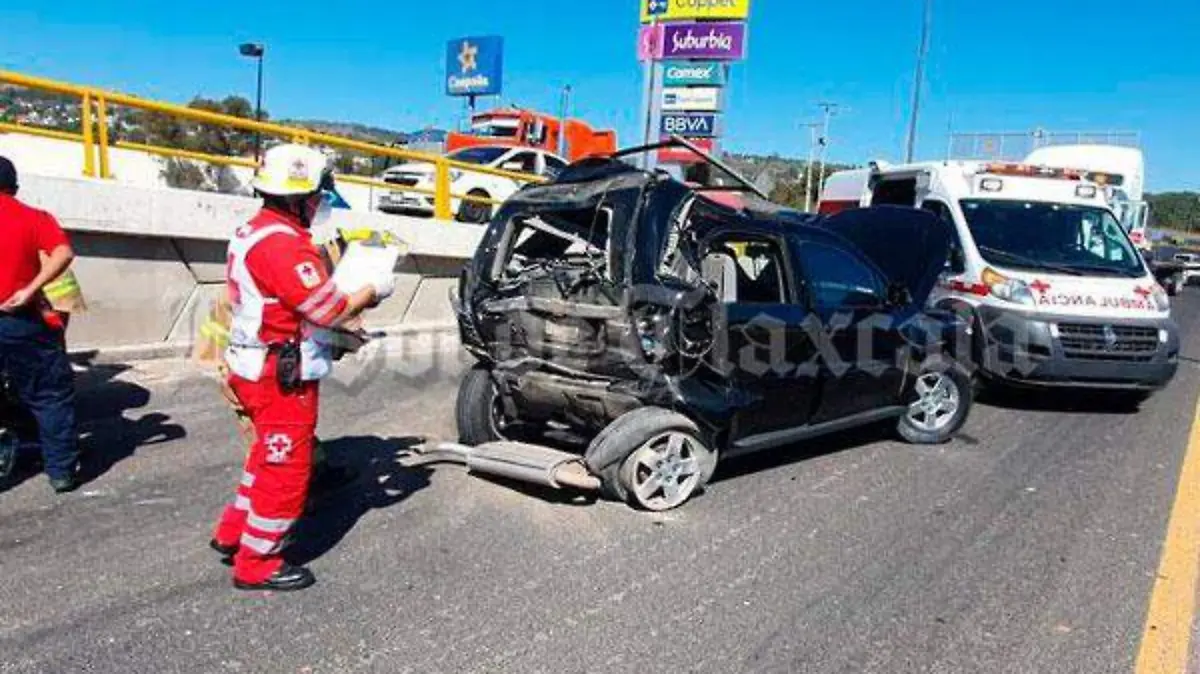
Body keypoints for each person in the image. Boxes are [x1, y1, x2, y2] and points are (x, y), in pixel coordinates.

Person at [209, 144, 393, 592]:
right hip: (279, 375)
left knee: (264, 456)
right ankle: (258, 563)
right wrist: (371, 289)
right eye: (316, 196)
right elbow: (327, 309)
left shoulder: (254, 230)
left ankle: (233, 532)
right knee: (287, 466)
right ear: (298, 197)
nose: (320, 204)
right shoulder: (285, 246)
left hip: (253, 364)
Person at [0, 156, 81, 493]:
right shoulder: (34, 218)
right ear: (14, 186)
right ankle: (61, 471)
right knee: (49, 395)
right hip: (19, 318)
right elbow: (64, 253)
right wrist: (29, 290)